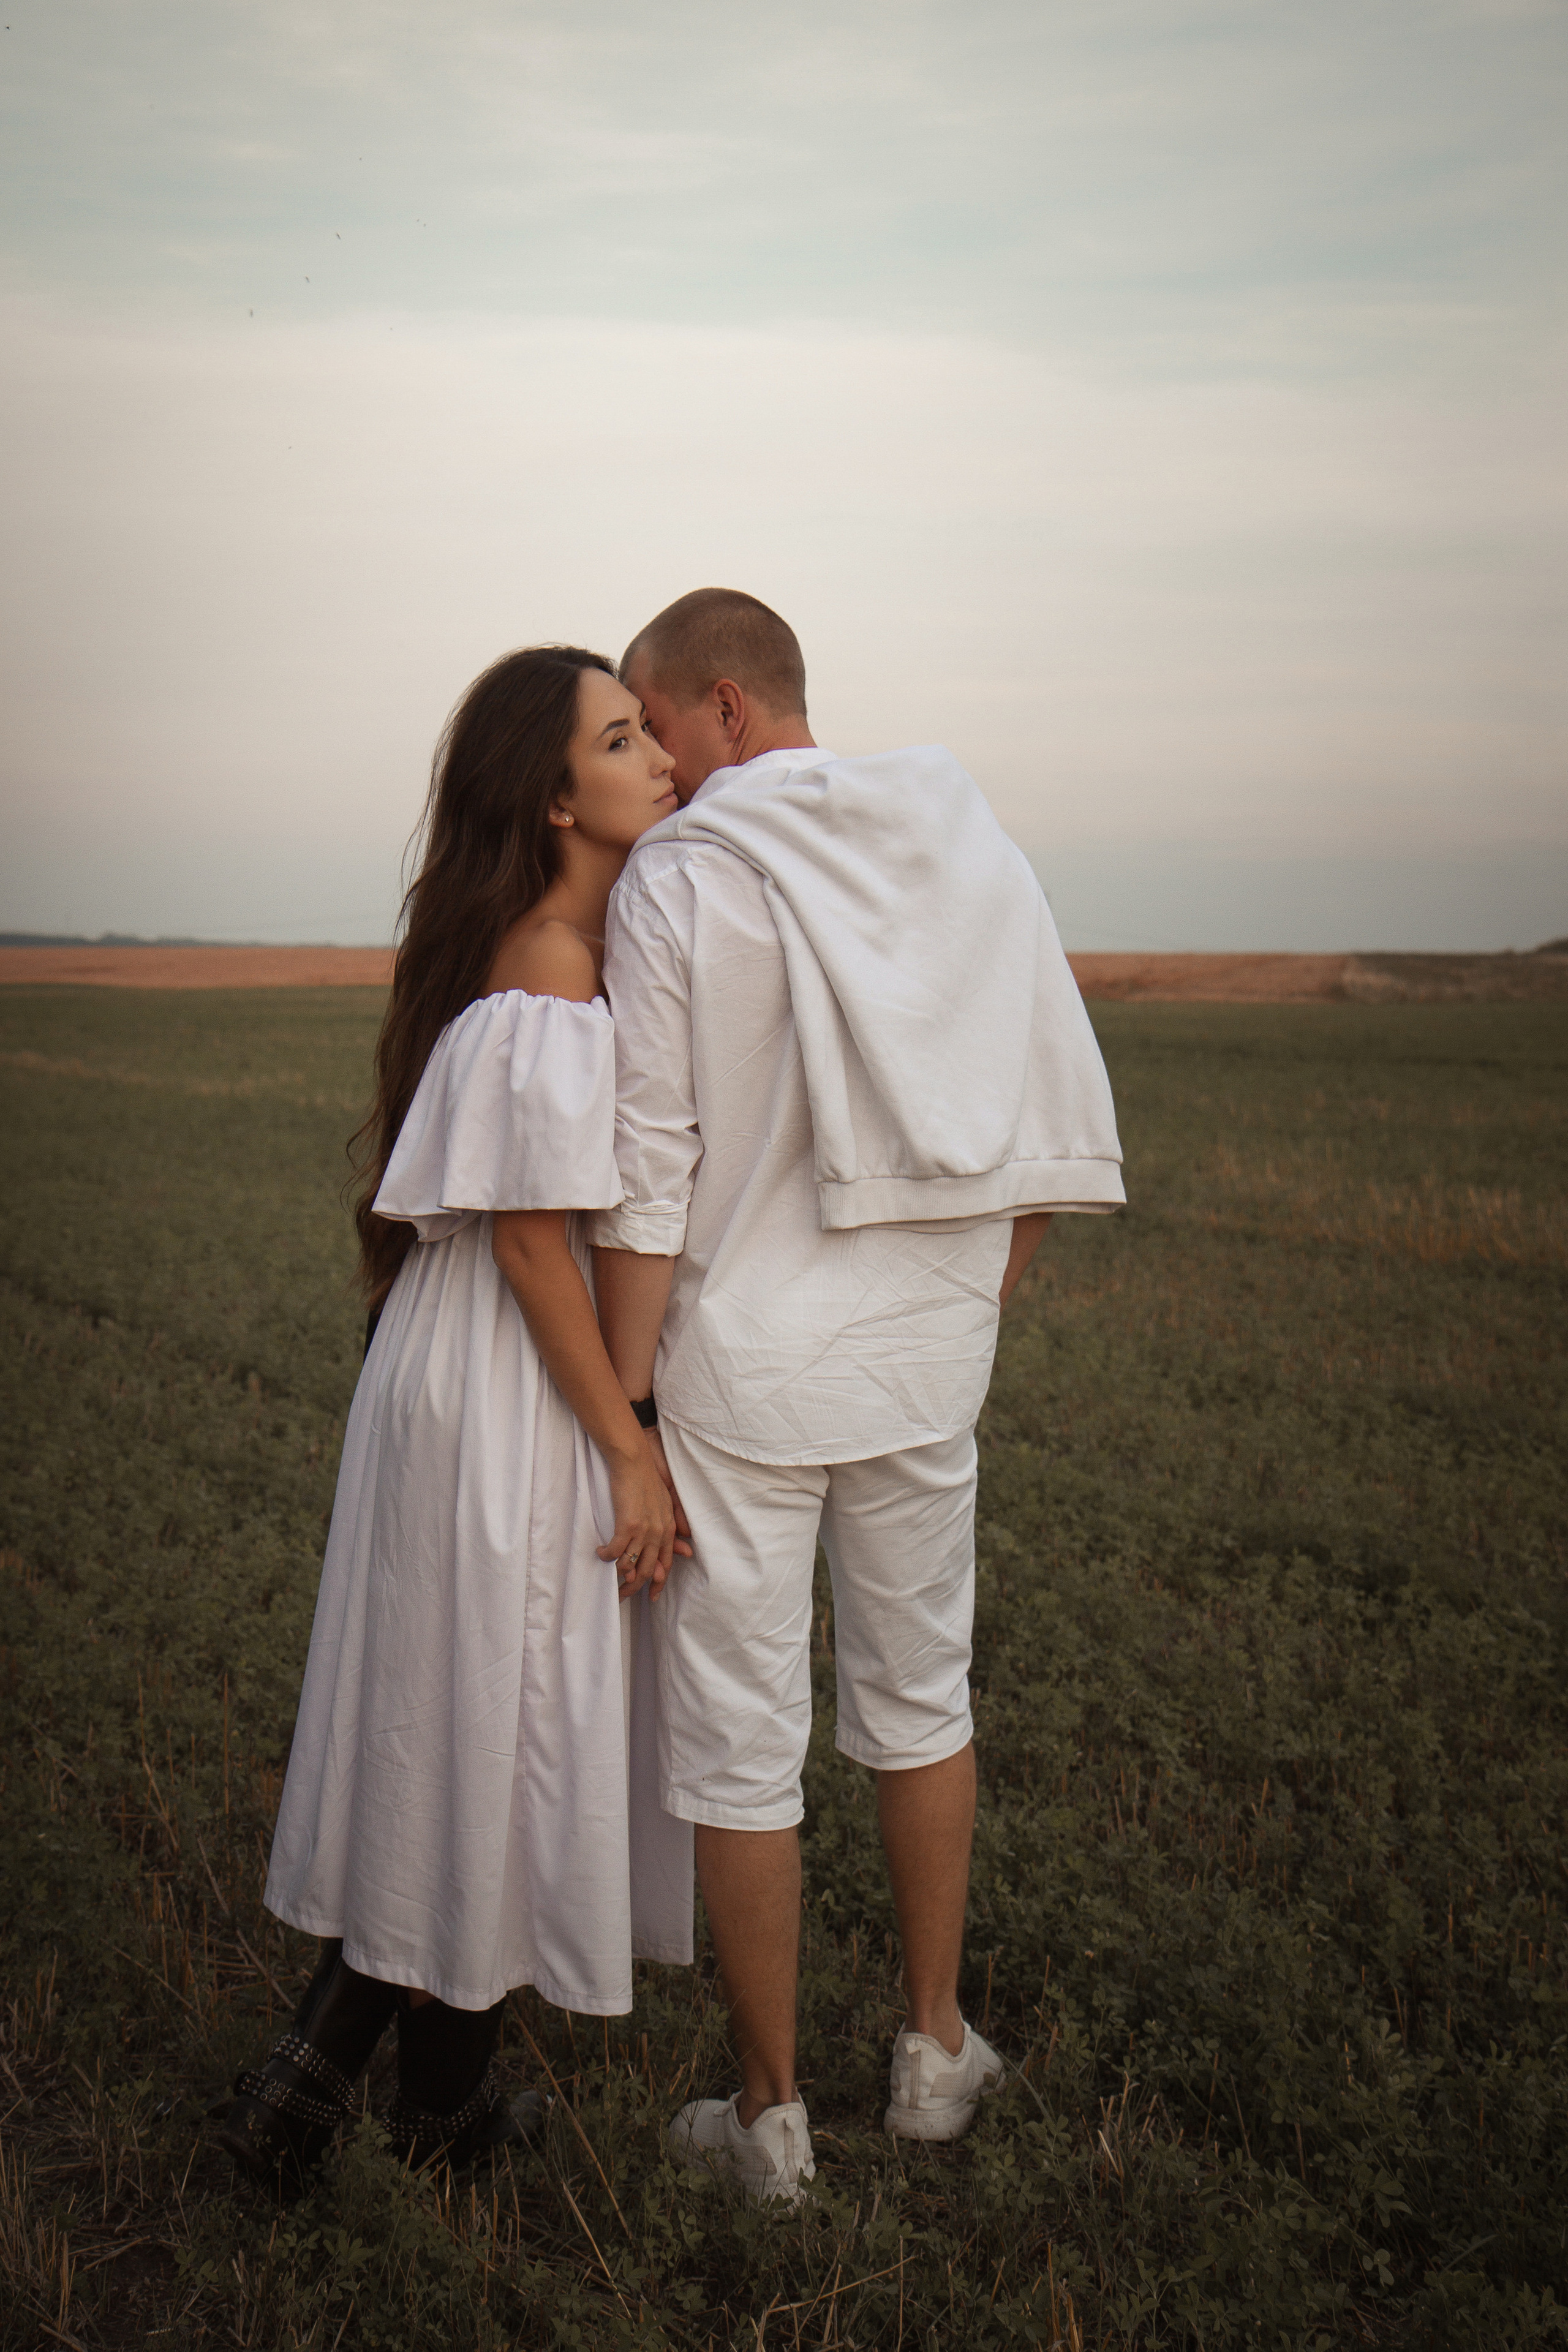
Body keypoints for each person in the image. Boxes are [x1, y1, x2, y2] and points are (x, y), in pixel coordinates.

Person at [590, 589, 1124, 2204]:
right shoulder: (969, 849)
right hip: (921, 1359)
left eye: (656, 725)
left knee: (744, 1741)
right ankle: (937, 2051)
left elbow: (649, 1178)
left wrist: (621, 1414)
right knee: (921, 1697)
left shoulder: (681, 878)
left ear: (729, 705)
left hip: (741, 1371)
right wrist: (964, 1311)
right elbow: (1041, 1111)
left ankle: (769, 2128)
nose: (657, 769)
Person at [217, 646, 693, 2191]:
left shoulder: (544, 943)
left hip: (462, 1371)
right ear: (557, 798)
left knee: (463, 1725)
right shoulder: (550, 965)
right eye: (623, 741)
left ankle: (375, 2111)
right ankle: (358, 2121)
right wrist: (628, 1445)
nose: (659, 758)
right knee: (490, 1726)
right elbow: (530, 1242)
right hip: (505, 1381)